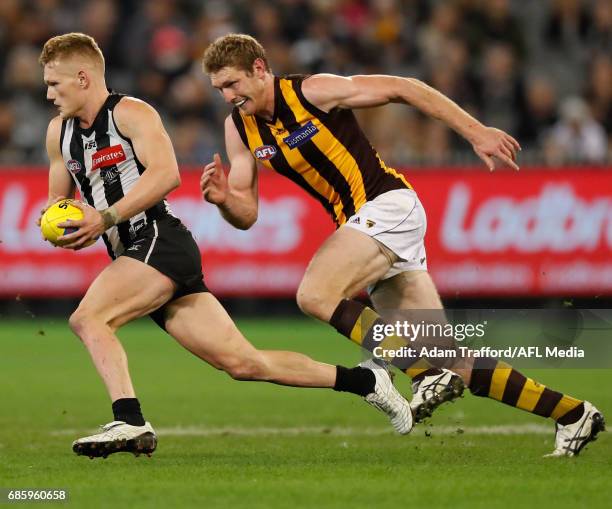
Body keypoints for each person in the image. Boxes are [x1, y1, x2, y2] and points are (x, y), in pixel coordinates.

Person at [200, 33, 604, 457]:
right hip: (367, 226)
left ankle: (417, 372)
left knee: (315, 294)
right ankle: (573, 414)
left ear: (259, 69)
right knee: (452, 361)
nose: (228, 96)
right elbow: (247, 215)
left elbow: (402, 87)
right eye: (220, 89)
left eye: (233, 84)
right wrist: (226, 200)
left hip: (388, 204)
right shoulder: (238, 128)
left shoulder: (311, 91)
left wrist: (476, 131)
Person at [38, 33, 414, 459]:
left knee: (88, 319)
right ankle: (366, 382)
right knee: (243, 363)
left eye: (55, 84)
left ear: (83, 78)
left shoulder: (132, 114)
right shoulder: (59, 134)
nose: (49, 93)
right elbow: (59, 202)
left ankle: (129, 419)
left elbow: (166, 176)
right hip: (133, 255)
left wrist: (103, 218)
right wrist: (63, 225)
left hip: (159, 241)